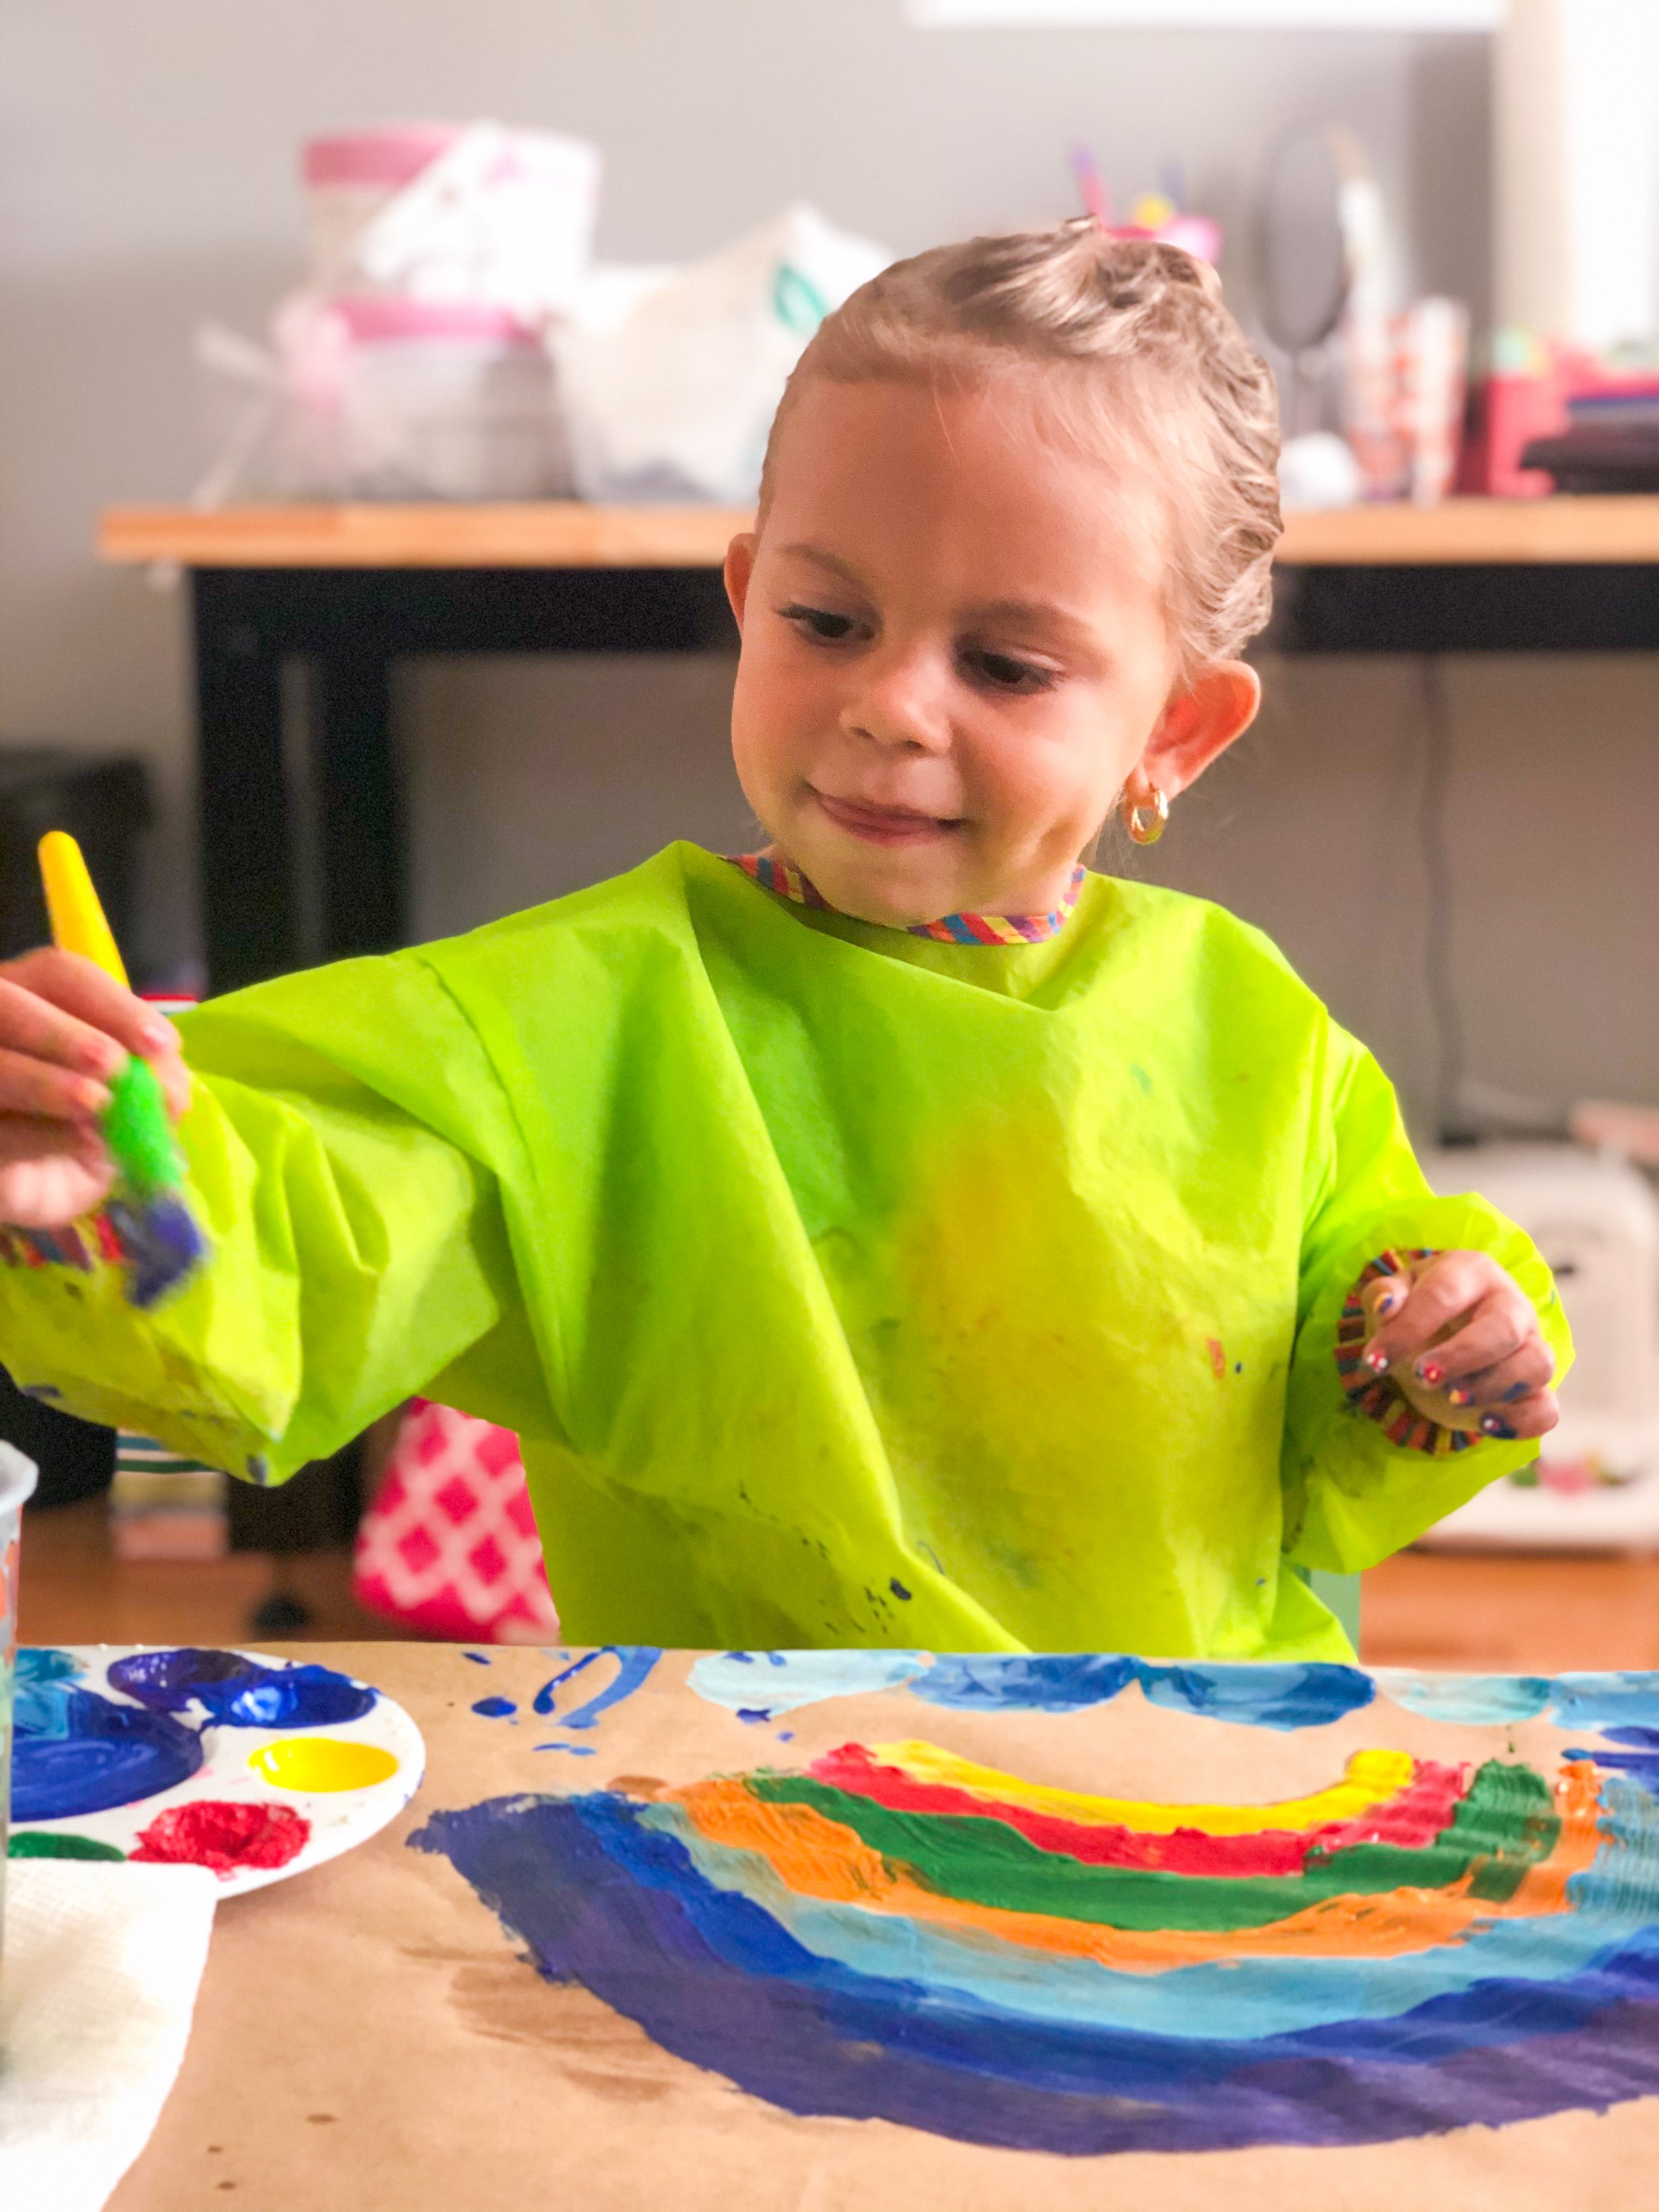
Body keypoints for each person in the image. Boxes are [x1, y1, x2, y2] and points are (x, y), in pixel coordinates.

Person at [0, 222, 1568, 1660]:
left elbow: (1352, 1356)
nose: (888, 703)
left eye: (1007, 663)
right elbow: (295, 1238)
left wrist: (1433, 1340)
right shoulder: (590, 1018)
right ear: (748, 599)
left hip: (1178, 1807)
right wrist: (110, 1183)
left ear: (1173, 729)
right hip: (735, 1824)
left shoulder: (1247, 1030)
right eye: (827, 622)